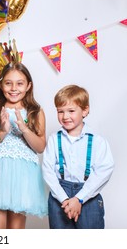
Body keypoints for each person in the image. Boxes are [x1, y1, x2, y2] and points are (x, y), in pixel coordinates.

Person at [0, 62, 48, 229]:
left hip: (22, 176)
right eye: (8, 83)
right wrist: (3, 131)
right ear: (1, 84)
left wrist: (24, 129)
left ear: (28, 86)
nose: (14, 88)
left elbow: (40, 147)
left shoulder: (35, 111)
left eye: (20, 83)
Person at [42, 85, 114, 229]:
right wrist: (65, 199)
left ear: (85, 111)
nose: (65, 116)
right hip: (60, 198)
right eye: (60, 111)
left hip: (89, 198)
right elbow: (47, 171)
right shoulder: (54, 140)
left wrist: (79, 198)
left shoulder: (97, 141)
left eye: (71, 111)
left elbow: (104, 171)